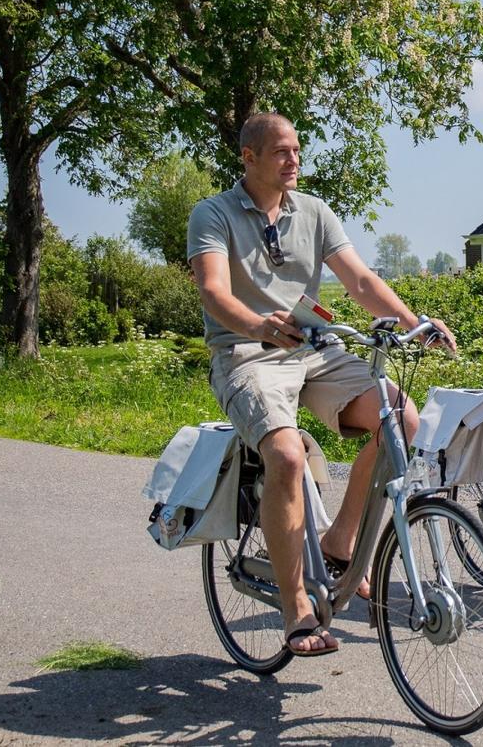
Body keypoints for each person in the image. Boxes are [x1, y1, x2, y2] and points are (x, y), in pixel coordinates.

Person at [188, 112, 455, 657]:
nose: (294, 160)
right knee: (285, 458)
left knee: (400, 420)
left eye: (297, 150)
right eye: (282, 151)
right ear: (249, 157)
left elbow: (359, 279)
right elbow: (214, 291)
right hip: (247, 355)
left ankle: (341, 539)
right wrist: (257, 323)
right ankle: (297, 611)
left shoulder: (314, 211)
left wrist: (412, 322)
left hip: (314, 349)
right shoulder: (212, 214)